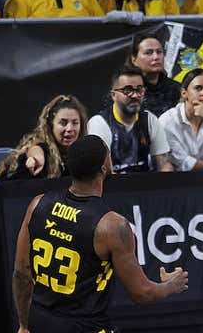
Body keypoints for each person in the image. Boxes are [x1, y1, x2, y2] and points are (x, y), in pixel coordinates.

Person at [12, 135, 189, 333]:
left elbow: (21, 272)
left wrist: (23, 325)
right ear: (104, 167)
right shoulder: (112, 226)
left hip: (40, 320)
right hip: (83, 326)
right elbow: (142, 293)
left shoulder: (37, 204)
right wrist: (171, 286)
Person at [88, 66, 174, 173]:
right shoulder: (100, 123)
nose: (135, 95)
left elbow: (163, 163)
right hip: (113, 186)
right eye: (127, 90)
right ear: (113, 95)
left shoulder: (150, 120)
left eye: (139, 89)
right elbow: (102, 172)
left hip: (147, 186)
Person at [0, 95, 87, 180]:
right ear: (51, 124)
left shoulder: (81, 153)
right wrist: (35, 157)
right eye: (63, 123)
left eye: (75, 123)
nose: (69, 129)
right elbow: (36, 150)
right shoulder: (41, 153)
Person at [126, 34, 182, 118]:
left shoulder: (177, 89)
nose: (156, 57)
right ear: (134, 60)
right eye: (148, 53)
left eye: (159, 52)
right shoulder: (124, 91)